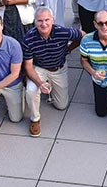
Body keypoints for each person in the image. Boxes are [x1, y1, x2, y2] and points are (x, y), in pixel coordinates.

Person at [22, 8, 83, 137]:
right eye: (40, 21)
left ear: (53, 20)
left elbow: (83, 35)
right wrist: (40, 83)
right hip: (39, 68)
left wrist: (69, 49)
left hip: (58, 68)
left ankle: (49, 88)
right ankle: (35, 119)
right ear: (35, 22)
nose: (44, 24)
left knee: (61, 105)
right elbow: (28, 67)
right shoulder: (28, 39)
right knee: (31, 90)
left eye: (47, 20)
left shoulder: (63, 32)